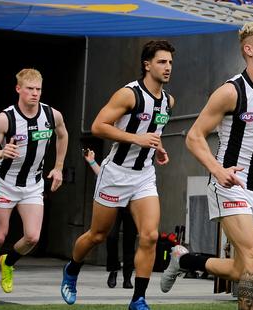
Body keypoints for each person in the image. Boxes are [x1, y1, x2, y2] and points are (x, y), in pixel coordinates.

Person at [160, 21, 253, 310]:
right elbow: (194, 137)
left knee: (241, 269)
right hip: (228, 186)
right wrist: (218, 171)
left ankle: (184, 259)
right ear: (248, 50)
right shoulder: (230, 92)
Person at [61, 40, 175, 310]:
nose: (168, 67)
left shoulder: (169, 101)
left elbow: (153, 133)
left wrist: (159, 149)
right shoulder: (129, 94)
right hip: (115, 174)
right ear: (147, 65)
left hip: (144, 176)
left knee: (149, 236)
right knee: (98, 235)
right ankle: (72, 269)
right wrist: (137, 139)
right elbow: (98, 126)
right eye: (161, 61)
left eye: (170, 62)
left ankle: (138, 299)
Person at [0, 68, 68, 305]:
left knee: (32, 237)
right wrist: (0, 152)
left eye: (38, 89)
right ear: (18, 89)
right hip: (6, 183)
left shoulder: (51, 114)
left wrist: (58, 167)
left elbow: (62, 134)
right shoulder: (5, 118)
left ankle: (8, 261)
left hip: (33, 184)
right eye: (29, 89)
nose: (35, 94)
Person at [82, 148, 136, 289]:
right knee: (111, 237)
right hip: (115, 202)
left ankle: (127, 277)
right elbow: (103, 176)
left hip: (132, 204)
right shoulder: (116, 156)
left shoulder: (140, 160)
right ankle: (113, 270)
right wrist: (92, 161)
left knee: (130, 240)